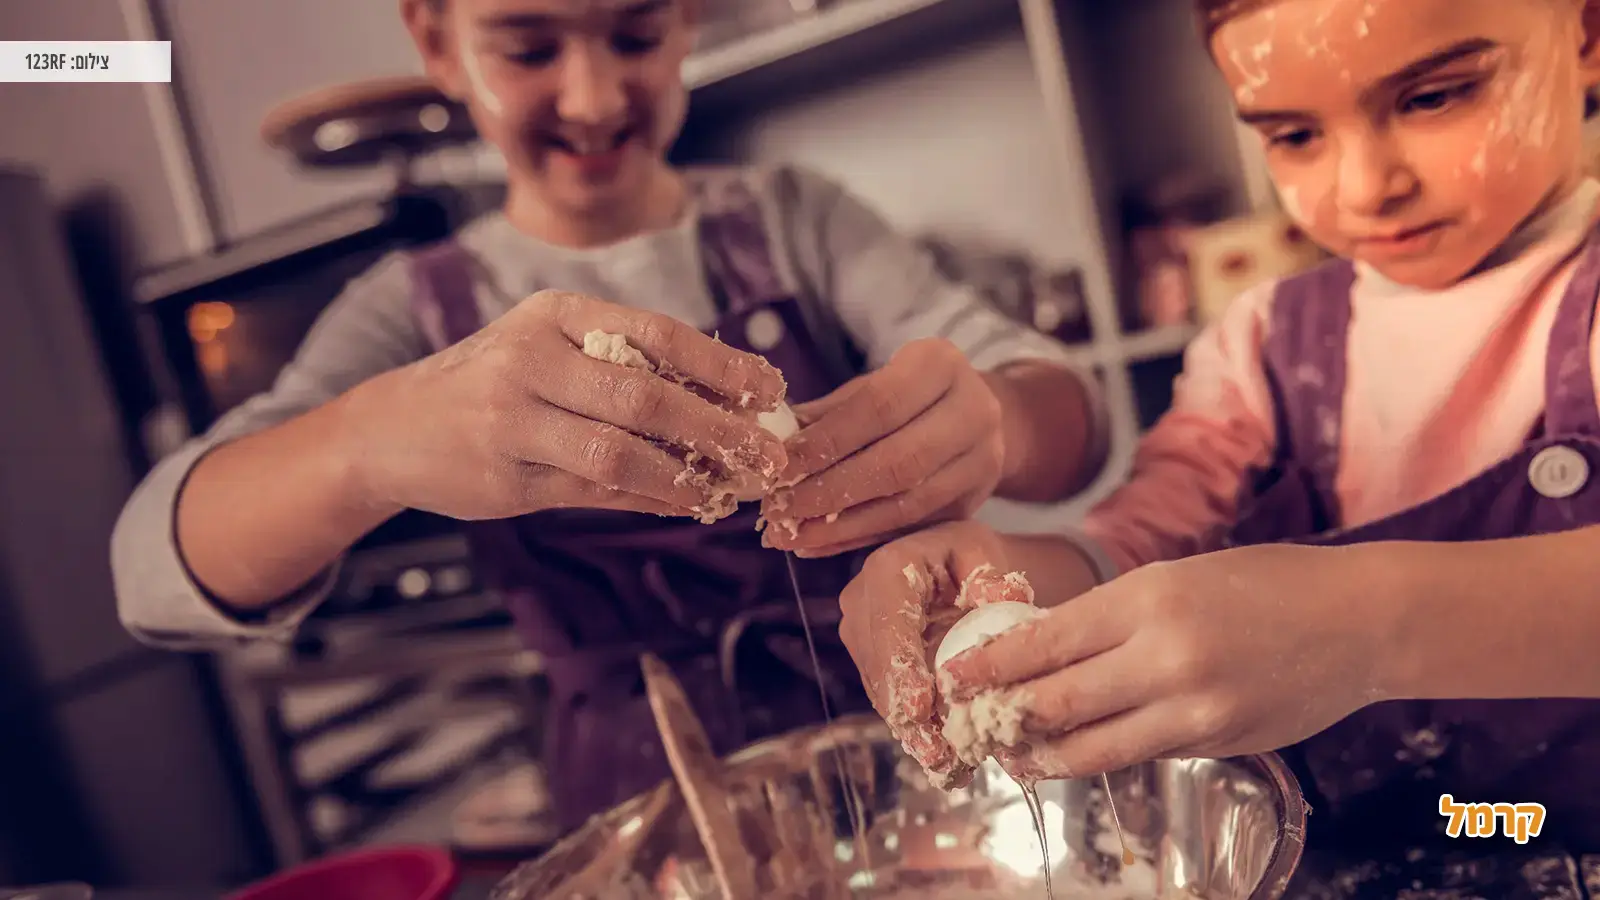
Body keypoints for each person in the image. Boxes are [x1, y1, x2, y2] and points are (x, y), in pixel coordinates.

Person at [109, 0, 1105, 831]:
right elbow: (149, 573)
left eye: (635, 35)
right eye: (529, 47)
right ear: (436, 43)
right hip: (638, 804)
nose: (591, 97)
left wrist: (996, 420)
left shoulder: (796, 220)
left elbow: (1074, 424)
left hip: (894, 744)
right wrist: (364, 444)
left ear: (686, 26)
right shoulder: (403, 311)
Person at [840, 0, 1600, 849]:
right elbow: (1144, 542)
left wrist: (1364, 625)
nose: (1366, 186)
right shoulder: (1263, 342)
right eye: (1294, 136)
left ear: (1588, 33)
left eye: (1433, 98)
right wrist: (1004, 573)